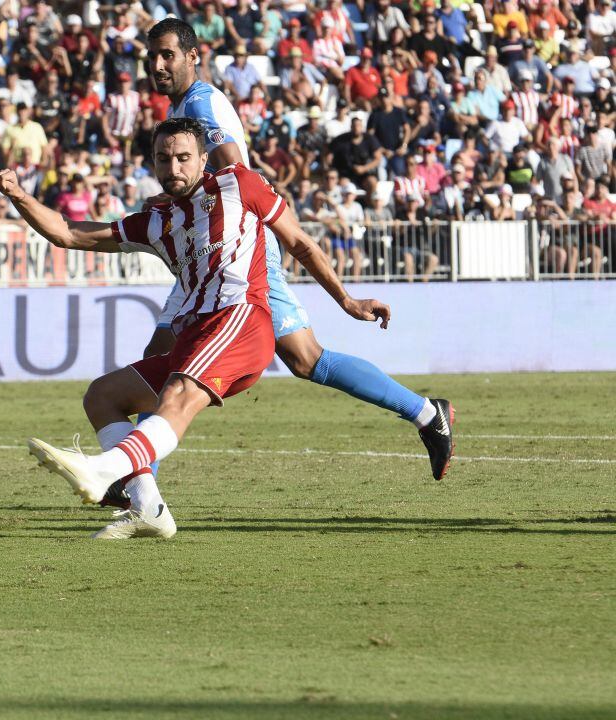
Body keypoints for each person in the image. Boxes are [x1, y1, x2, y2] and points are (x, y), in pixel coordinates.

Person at [0, 117, 392, 539]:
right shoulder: (154, 222)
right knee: (104, 396)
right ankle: (148, 507)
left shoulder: (239, 184)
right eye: (164, 159)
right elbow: (68, 233)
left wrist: (347, 301)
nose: (175, 168)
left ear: (203, 158)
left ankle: (103, 471)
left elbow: (300, 243)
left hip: (242, 319)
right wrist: (19, 195)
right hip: (198, 334)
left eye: (184, 158)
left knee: (177, 394)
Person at [140, 17, 454, 493]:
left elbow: (232, 172)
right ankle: (429, 414)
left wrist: (178, 199)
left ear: (192, 56)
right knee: (302, 360)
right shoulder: (186, 104)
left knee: (191, 355)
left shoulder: (200, 104)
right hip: (206, 248)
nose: (158, 64)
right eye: (153, 56)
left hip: (234, 250)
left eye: (167, 55)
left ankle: (137, 482)